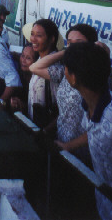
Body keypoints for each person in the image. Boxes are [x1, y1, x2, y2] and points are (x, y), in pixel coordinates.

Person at [63, 42, 112, 220]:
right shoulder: (90, 104)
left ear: (73, 78)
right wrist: (67, 146)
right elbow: (94, 132)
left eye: (65, 68)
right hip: (104, 201)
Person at [29, 24, 98, 153]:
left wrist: (69, 146)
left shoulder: (96, 76)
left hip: (80, 150)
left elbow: (99, 126)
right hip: (61, 144)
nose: (74, 48)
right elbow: (34, 68)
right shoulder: (66, 72)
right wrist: (67, 52)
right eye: (70, 43)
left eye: (79, 43)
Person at [22, 19, 63, 124]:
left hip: (45, 130)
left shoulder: (55, 67)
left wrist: (45, 131)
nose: (33, 39)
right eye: (32, 34)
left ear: (52, 39)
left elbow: (62, 111)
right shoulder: (39, 60)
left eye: (39, 35)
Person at [10, 45, 39, 114]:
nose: (23, 60)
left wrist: (24, 106)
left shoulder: (38, 82)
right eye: (22, 56)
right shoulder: (18, 74)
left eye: (28, 58)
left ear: (36, 61)